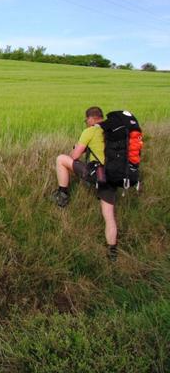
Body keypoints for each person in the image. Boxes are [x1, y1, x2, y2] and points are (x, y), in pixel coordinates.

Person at [52, 106, 119, 261]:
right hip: (112, 177)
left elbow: (74, 156)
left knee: (61, 159)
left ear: (91, 118)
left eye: (86, 120)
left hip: (97, 175)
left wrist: (77, 149)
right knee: (109, 216)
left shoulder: (91, 131)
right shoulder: (113, 131)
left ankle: (62, 195)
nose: (86, 123)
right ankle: (113, 253)